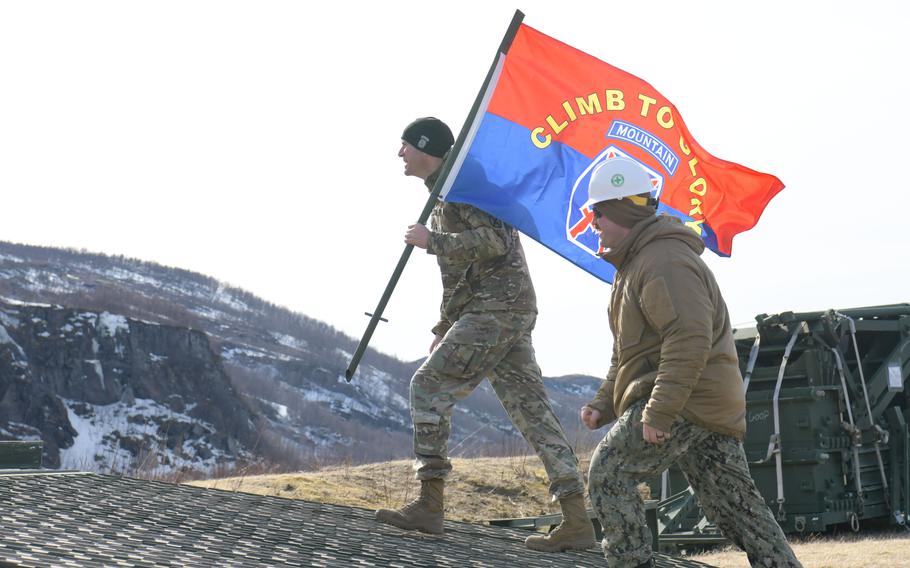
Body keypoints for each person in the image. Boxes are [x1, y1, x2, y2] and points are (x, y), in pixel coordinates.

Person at [375, 117, 595, 552]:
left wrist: (432, 240)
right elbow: (459, 275)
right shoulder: (448, 189)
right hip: (501, 308)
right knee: (532, 412)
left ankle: (430, 504)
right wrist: (445, 324)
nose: (399, 154)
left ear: (425, 147)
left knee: (428, 384)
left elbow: (494, 240)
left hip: (497, 307)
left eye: (404, 145)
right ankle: (577, 521)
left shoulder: (463, 182)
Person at [580, 156, 803, 568]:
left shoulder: (663, 261)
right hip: (702, 403)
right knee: (740, 511)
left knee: (610, 471)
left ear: (620, 212)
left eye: (597, 213)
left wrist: (661, 410)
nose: (593, 223)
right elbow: (628, 351)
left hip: (687, 400)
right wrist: (602, 403)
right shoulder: (637, 264)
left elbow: (688, 338)